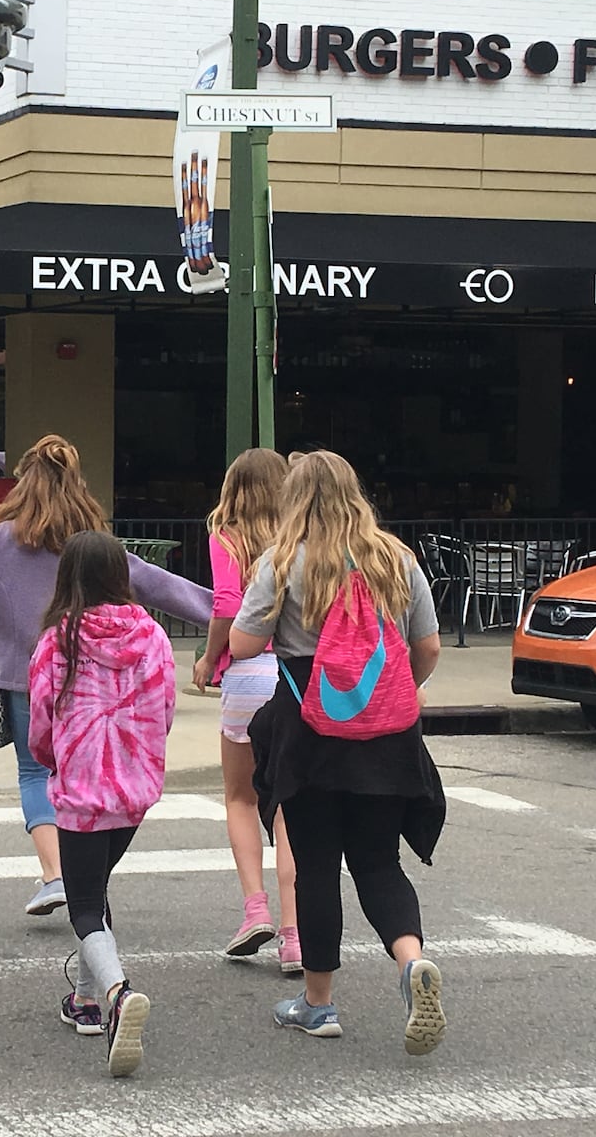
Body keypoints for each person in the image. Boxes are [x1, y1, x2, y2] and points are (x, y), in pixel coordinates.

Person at [230, 450, 447, 1055]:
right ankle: (411, 963)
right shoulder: (395, 557)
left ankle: (318, 1005)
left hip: (310, 737)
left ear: (295, 498)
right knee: (379, 863)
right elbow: (426, 647)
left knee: (317, 867)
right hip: (389, 737)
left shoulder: (282, 560)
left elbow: (245, 642)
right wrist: (392, 693)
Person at [0, 434, 211, 920]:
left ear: (23, 483)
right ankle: (84, 878)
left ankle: (56, 875)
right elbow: (160, 585)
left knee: (34, 772)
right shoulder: (94, 544)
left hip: (26, 677)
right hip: (92, 682)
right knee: (80, 778)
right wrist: (226, 615)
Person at [28, 530, 175, 1078]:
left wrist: (54, 759)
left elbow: (41, 724)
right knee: (98, 886)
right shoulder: (154, 637)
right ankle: (86, 1002)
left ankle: (117, 992)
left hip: (83, 791)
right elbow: (164, 708)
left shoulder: (58, 641)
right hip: (134, 789)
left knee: (83, 900)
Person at [191, 448, 301, 973]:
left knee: (238, 797)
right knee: (287, 807)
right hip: (293, 679)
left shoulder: (226, 535)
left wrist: (210, 658)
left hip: (245, 675)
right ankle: (295, 935)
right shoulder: (298, 537)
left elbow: (226, 604)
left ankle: (254, 908)